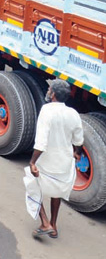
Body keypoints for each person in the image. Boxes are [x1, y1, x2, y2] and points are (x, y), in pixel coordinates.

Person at [29, 79, 84, 239]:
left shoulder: (47, 111)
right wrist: (78, 153)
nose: (48, 91)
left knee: (32, 187)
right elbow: (78, 140)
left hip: (47, 160)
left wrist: (33, 162)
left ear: (53, 94)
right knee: (57, 193)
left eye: (49, 89)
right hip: (64, 162)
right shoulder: (73, 114)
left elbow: (41, 142)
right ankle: (53, 226)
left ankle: (45, 223)